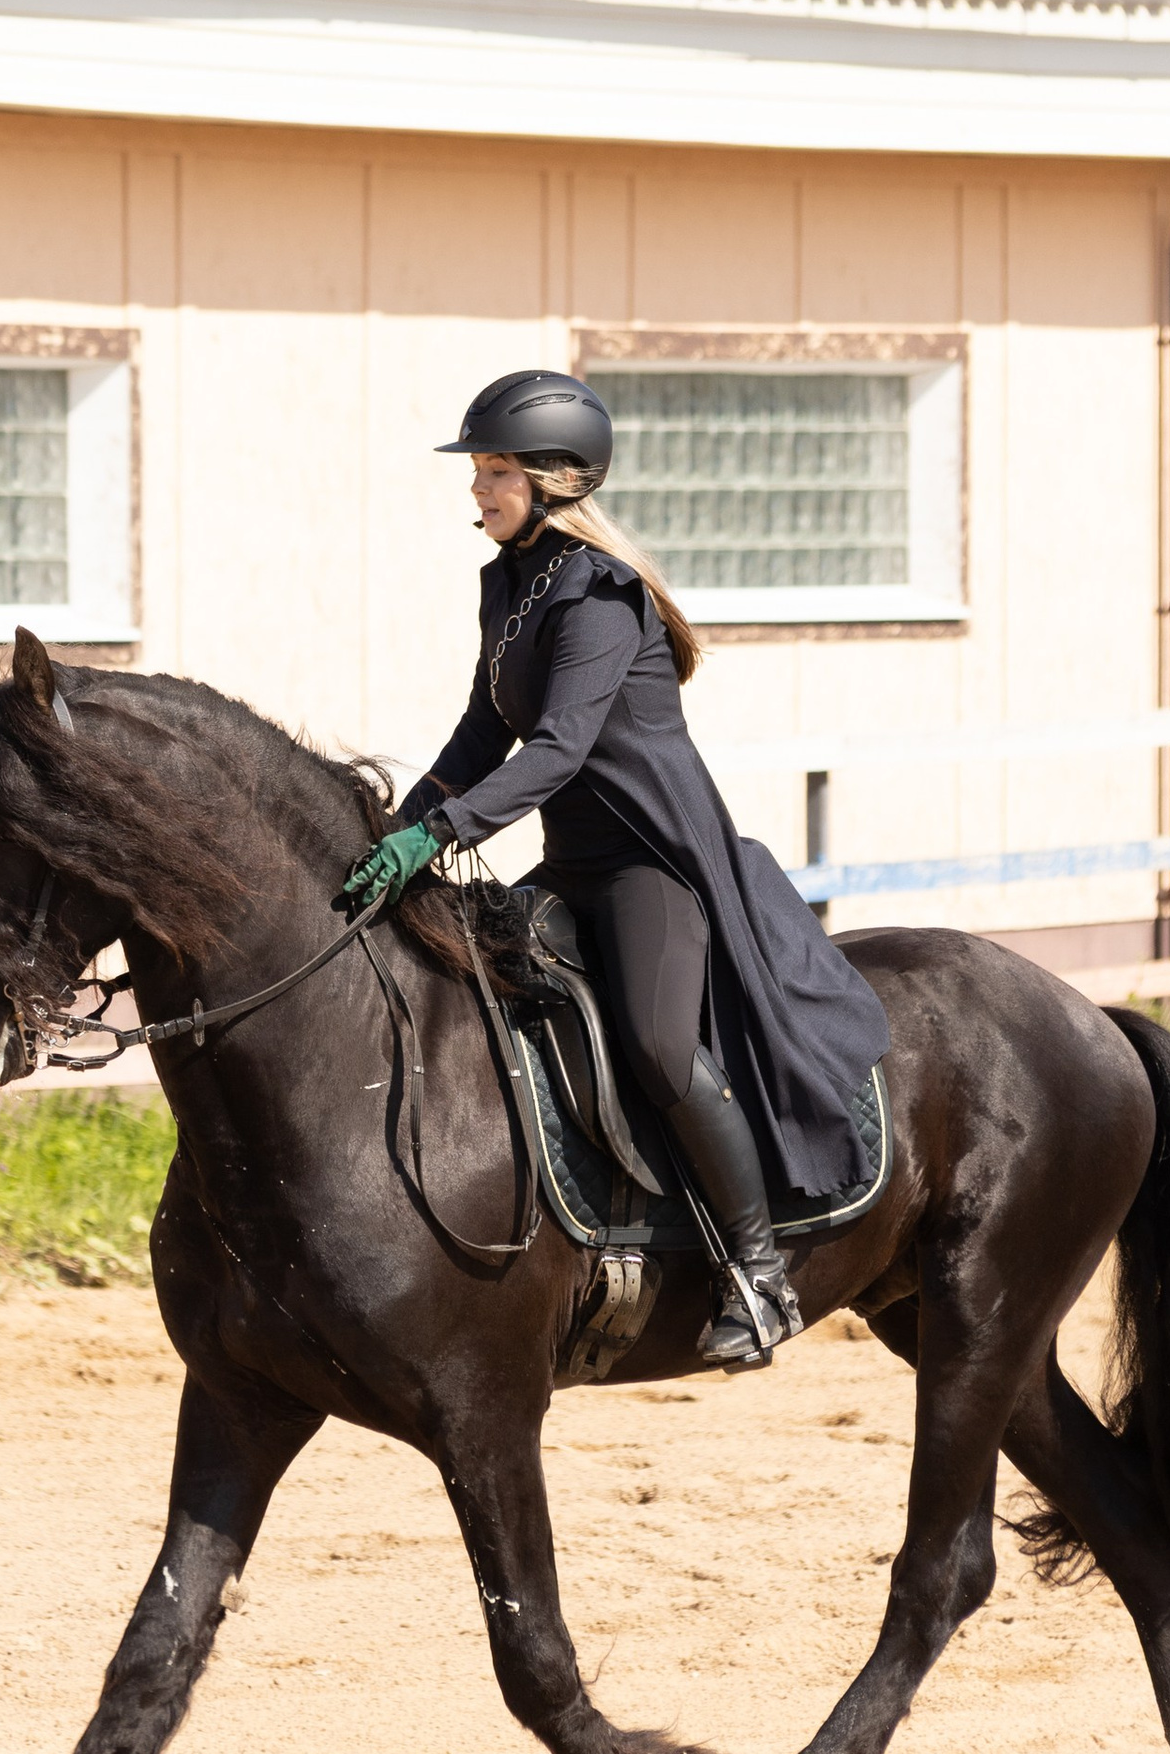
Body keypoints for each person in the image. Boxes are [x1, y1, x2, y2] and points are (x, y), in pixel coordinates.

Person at [336, 366, 891, 1368]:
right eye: (478, 473)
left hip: (650, 864)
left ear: (550, 479)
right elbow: (479, 733)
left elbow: (556, 750)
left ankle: (758, 1275)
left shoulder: (597, 593)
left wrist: (445, 834)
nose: (477, 491)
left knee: (655, 1043)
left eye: (493, 473)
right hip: (573, 860)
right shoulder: (509, 582)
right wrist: (395, 830)